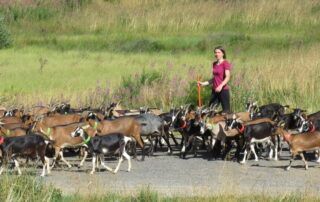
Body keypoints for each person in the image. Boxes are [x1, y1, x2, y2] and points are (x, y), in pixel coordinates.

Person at [198, 46, 232, 113]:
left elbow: (228, 77)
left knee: (226, 112)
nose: (217, 54)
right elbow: (215, 78)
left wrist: (220, 86)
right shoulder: (214, 64)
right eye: (215, 52)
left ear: (223, 54)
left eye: (219, 52)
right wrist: (203, 83)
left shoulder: (225, 63)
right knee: (210, 111)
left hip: (223, 90)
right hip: (215, 91)